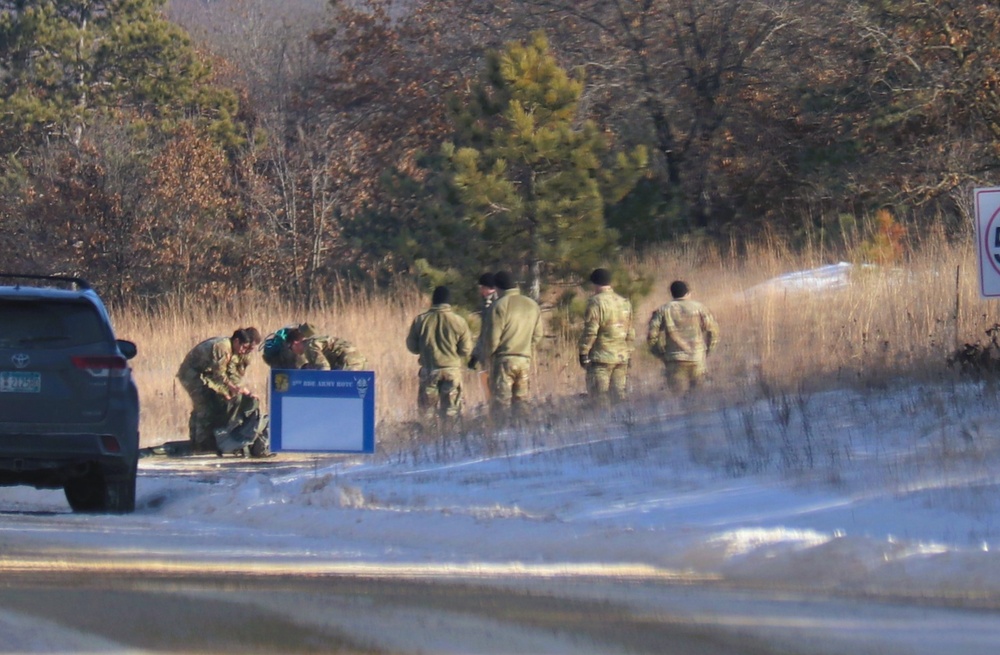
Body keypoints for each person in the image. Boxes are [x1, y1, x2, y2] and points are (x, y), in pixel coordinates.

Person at [177, 327, 261, 453]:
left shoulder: (232, 349)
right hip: (191, 374)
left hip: (204, 374)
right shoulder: (222, 347)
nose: (244, 351)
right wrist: (231, 388)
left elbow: (231, 375)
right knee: (204, 406)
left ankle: (200, 441)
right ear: (237, 341)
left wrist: (242, 390)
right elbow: (219, 375)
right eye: (243, 347)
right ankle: (199, 445)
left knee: (211, 403)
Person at [406, 286, 473, 421]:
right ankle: (450, 439)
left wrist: (424, 349)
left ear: (433, 301)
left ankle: (429, 439)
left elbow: (412, 347)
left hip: (429, 372)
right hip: (452, 372)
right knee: (452, 413)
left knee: (427, 414)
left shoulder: (420, 320)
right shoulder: (459, 321)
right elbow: (466, 350)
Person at [485, 271, 543, 417]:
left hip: (504, 360)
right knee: (521, 402)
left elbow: (493, 339)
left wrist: (487, 357)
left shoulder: (499, 305)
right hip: (524, 360)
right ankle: (522, 431)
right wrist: (526, 348)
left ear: (498, 288)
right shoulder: (532, 304)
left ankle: (502, 434)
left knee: (501, 403)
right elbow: (538, 334)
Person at [646, 280, 719, 393]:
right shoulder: (700, 308)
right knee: (699, 396)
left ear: (672, 293)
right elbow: (713, 332)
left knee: (677, 397)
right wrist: (708, 350)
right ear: (687, 292)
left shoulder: (663, 310)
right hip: (697, 357)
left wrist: (661, 354)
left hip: (674, 359)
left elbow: (652, 335)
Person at [578, 268, 635, 406]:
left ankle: (603, 425)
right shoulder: (624, 302)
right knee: (619, 398)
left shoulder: (595, 302)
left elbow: (591, 331)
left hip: (601, 357)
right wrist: (629, 352)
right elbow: (630, 331)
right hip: (621, 356)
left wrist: (583, 351)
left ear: (594, 284)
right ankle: (623, 424)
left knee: (600, 398)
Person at [468, 272, 498, 373]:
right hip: (495, 353)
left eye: (482, 287)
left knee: (491, 386)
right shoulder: (489, 303)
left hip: (493, 354)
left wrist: (475, 355)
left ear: (489, 288)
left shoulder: (492, 306)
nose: (480, 291)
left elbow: (485, 333)